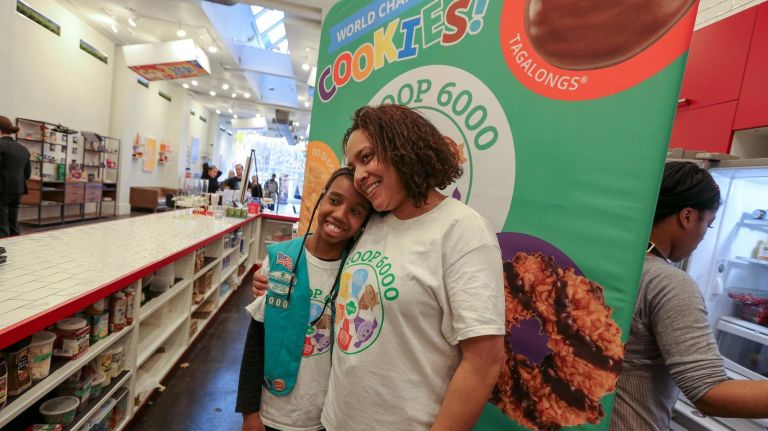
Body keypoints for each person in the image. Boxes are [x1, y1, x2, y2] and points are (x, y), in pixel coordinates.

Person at [253, 104, 505, 430]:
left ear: (404, 148)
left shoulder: (461, 230)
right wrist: (274, 278)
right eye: (353, 165)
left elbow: (484, 362)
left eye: (367, 157)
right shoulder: (373, 223)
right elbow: (321, 268)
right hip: (333, 421)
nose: (358, 176)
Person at [611, 161, 768, 430]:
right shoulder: (667, 282)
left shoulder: (612, 261)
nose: (703, 237)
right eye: (708, 225)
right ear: (686, 216)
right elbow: (710, 393)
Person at [236, 167, 372, 431]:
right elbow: (256, 339)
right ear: (321, 198)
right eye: (334, 200)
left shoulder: (358, 272)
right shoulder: (281, 259)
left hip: (326, 417)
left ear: (365, 222)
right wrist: (249, 411)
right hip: (272, 411)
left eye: (356, 211)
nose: (340, 214)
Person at [0, 116, 30, 238]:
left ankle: (4, 247)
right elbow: (27, 174)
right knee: (13, 223)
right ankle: (16, 246)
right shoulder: (23, 149)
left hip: (2, 189)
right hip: (18, 189)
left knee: (2, 225)